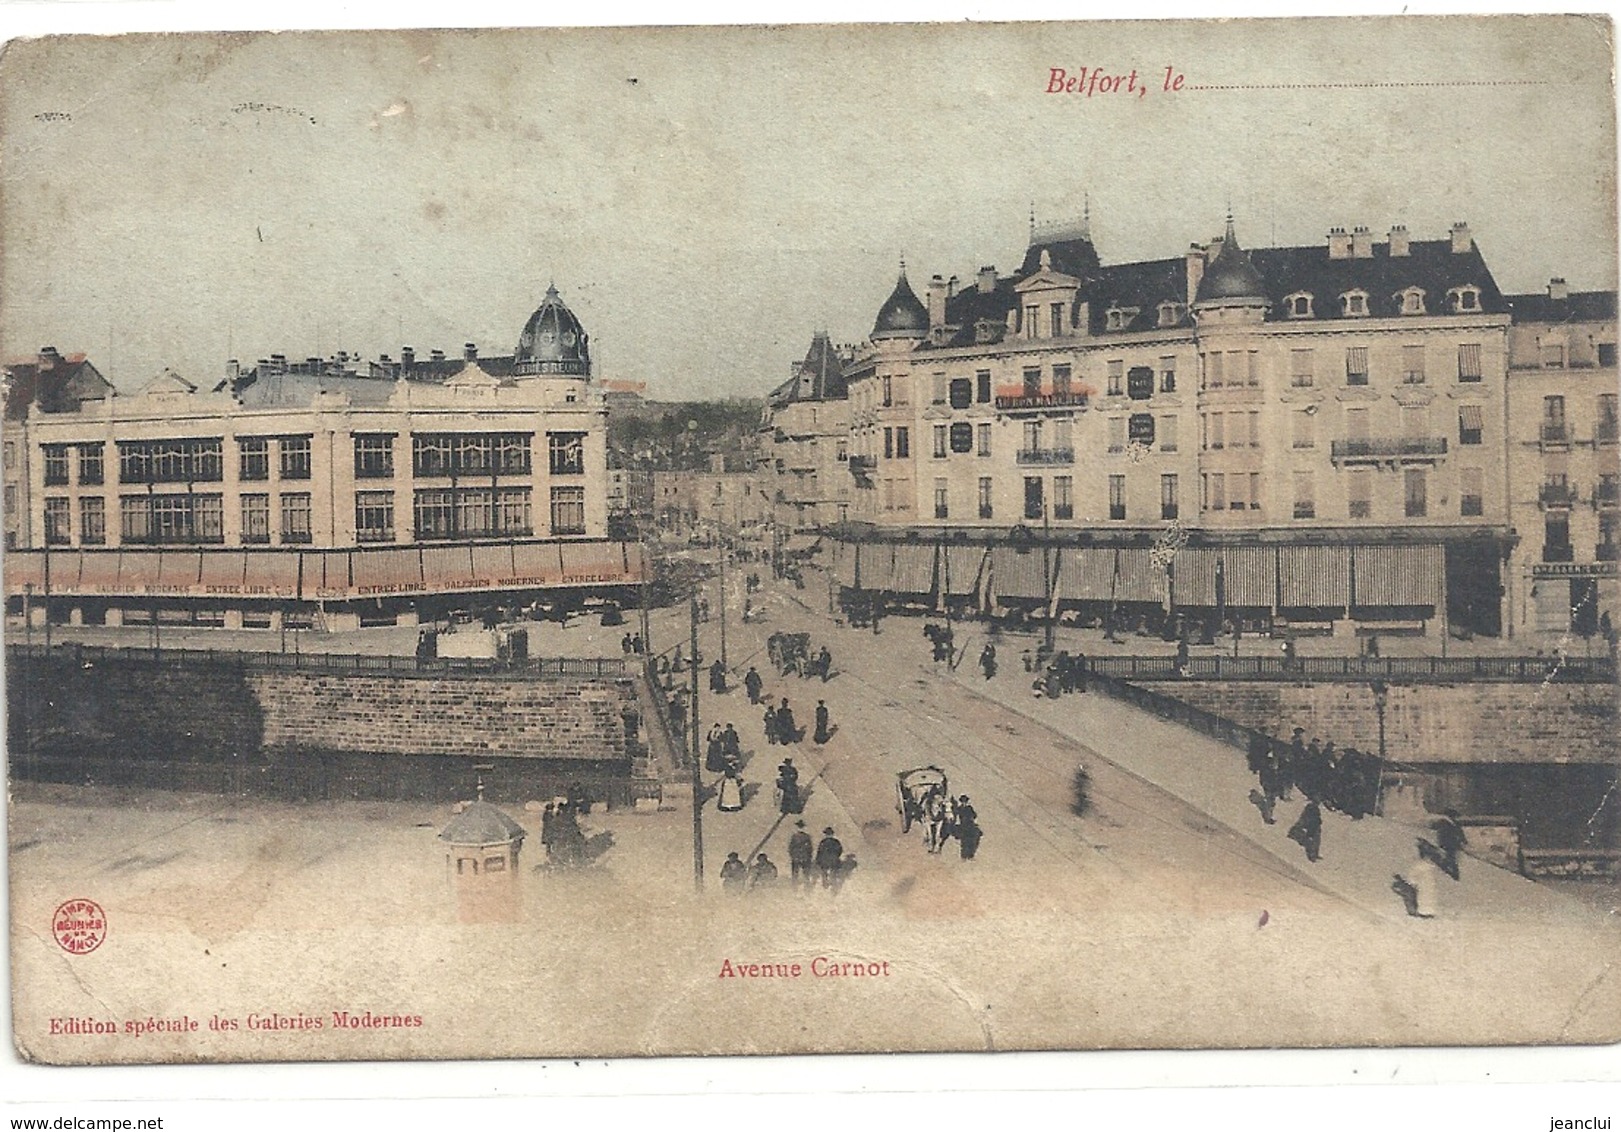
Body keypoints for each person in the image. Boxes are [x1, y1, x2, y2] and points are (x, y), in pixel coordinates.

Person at [1433, 809, 1467, 880]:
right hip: (1449, 843)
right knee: (1452, 857)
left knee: (1451, 857)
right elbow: (1442, 834)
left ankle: (1449, 868)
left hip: (1451, 843)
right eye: (1454, 816)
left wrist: (1463, 840)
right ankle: (1455, 873)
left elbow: (1460, 832)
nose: (1455, 817)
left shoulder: (1452, 823)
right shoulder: (1446, 823)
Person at [788, 820, 815, 889]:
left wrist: (793, 855)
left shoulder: (794, 836)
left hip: (796, 857)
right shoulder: (807, 837)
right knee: (806, 874)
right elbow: (810, 848)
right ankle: (806, 888)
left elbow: (790, 848)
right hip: (805, 857)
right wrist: (809, 856)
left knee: (795, 874)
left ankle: (795, 889)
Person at [955, 796, 981, 860]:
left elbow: (975, 815)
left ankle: (970, 855)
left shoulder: (969, 808)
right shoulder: (959, 809)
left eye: (965, 802)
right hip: (964, 826)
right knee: (964, 842)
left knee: (972, 841)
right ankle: (964, 856)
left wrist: (974, 822)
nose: (964, 803)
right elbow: (957, 817)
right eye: (963, 802)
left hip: (969, 825)